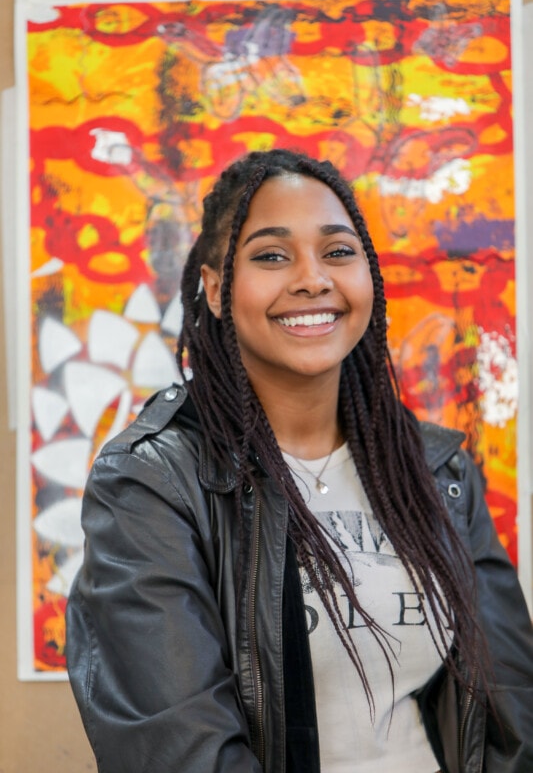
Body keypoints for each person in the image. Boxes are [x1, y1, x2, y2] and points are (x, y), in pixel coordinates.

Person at [66, 148, 533, 773]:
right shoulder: (151, 483)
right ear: (213, 286)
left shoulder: (436, 470)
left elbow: (511, 713)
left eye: (338, 252)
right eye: (271, 255)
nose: (313, 278)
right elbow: (180, 753)